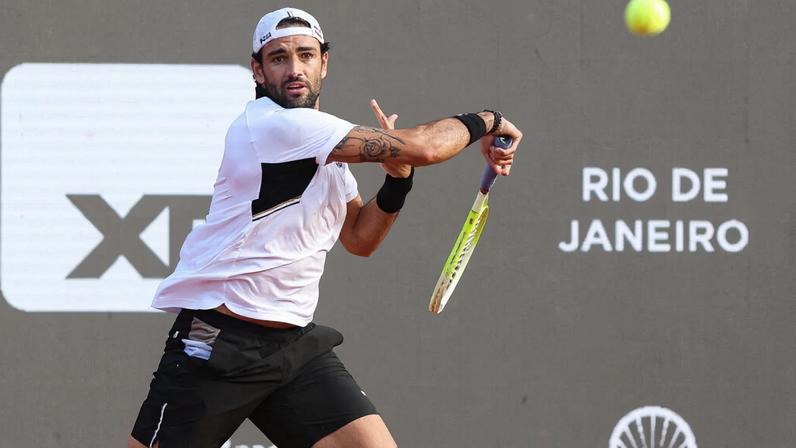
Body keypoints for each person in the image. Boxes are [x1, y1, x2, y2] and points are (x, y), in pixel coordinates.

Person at [128, 6, 522, 448]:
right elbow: (425, 147)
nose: (294, 68)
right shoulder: (274, 126)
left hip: (292, 347)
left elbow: (359, 237)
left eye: (305, 54)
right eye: (278, 58)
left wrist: (398, 179)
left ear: (324, 63)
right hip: (219, 343)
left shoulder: (326, 150)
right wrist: (489, 119)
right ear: (258, 71)